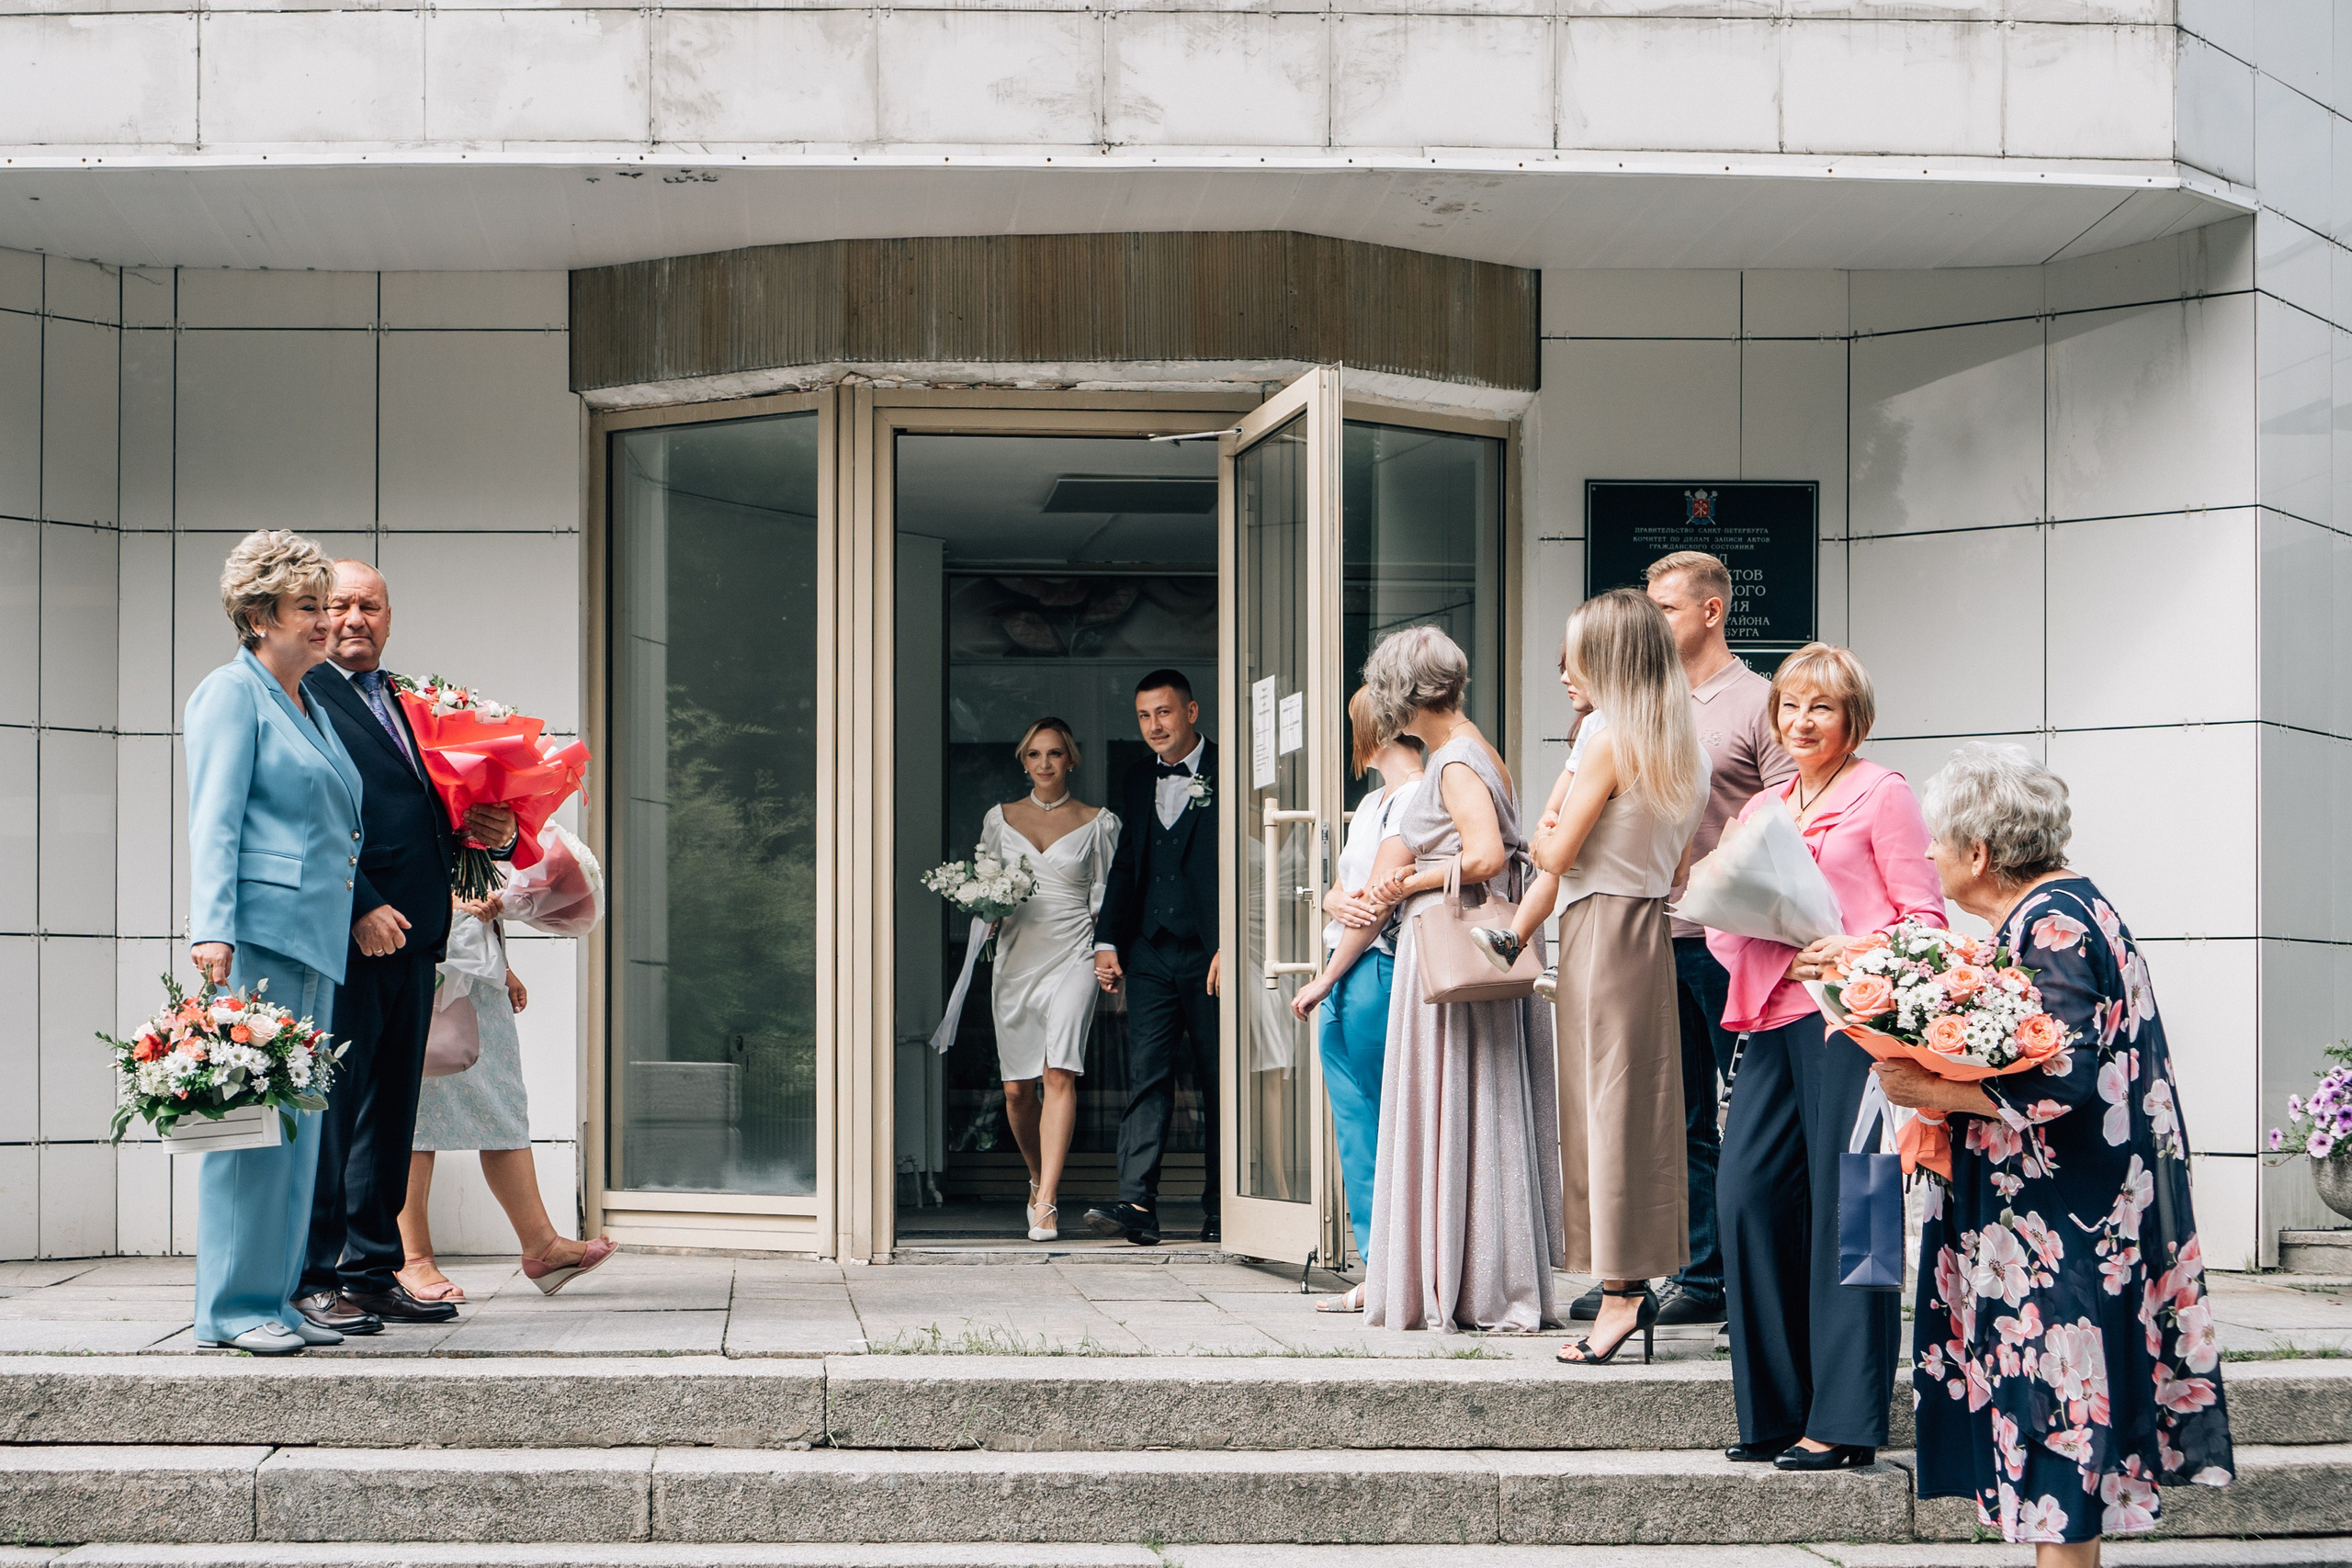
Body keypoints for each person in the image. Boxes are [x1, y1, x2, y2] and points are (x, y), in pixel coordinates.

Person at [1882, 744, 2233, 1558]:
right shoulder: (2068, 909)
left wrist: (1931, 1090)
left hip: (2058, 1228)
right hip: (2069, 1216)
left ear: (1978, 852)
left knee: (2060, 1425)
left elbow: (2064, 1076)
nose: (1929, 856)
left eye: (1938, 842)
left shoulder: (2053, 923)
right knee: (2059, 1426)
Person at [1708, 642, 1946, 1470]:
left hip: (1854, 1027)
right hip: (1771, 1021)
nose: (1802, 722)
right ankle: (1774, 1409)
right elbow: (1720, 916)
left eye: (1822, 708)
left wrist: (1853, 949)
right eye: (1789, 707)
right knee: (1746, 1197)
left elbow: (1926, 923)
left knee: (1861, 1213)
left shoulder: (1885, 795)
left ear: (1854, 720)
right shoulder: (1764, 806)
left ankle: (1845, 1421)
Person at [295, 560, 517, 1334]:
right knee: (334, 1107)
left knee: (391, 1113)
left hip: (421, 936)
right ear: (315, 616)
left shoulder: (411, 701)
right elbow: (308, 816)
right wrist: (360, 906)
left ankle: (373, 1269)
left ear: (389, 617)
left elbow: (447, 806)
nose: (354, 617)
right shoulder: (301, 693)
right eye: (338, 604)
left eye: (369, 605)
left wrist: (498, 828)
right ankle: (314, 1274)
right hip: (348, 934)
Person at [184, 530, 365, 1355]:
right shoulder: (231, 694)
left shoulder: (309, 702)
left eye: (328, 605)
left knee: (299, 1129)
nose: (327, 621)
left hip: (314, 941)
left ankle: (276, 1294)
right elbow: (214, 820)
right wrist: (211, 929)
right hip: (256, 938)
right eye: (309, 607)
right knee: (250, 1125)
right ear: (259, 616)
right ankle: (229, 1306)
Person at [1359, 626, 1566, 1333]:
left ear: (1401, 694)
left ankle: (1469, 1279)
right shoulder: (1478, 748)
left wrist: (1404, 882)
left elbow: (1480, 854)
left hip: (1451, 945)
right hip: (1479, 947)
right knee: (1483, 1103)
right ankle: (1482, 1270)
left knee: (1459, 1097)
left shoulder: (1451, 760)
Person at [1527, 590, 1711, 1367]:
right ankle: (1628, 1286)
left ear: (1610, 659)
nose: (1567, 671)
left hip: (1600, 927)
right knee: (1638, 1114)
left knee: (1604, 1117)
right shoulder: (1681, 743)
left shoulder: (1605, 740)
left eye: (1578, 654)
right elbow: (1676, 868)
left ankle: (1622, 1295)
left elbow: (1549, 851)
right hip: (1647, 929)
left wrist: (1553, 819)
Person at [1635, 549, 1796, 1330]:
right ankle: (1700, 1273)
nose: (1653, 619)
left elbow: (1785, 820)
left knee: (1748, 1112)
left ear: (1710, 611)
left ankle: (1754, 1274)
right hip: (1654, 933)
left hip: (1729, 942)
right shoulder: (1649, 701)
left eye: (1665, 607)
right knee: (1684, 1114)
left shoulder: (1761, 704)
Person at [397, 880, 619, 1301]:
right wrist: (447, 901)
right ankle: (412, 1259)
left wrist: (504, 965)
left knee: (502, 1106)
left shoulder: (474, 824)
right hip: (417, 960)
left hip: (477, 974)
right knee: (414, 1115)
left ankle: (542, 1245)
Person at [1286, 688, 1425, 1308]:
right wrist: (1329, 901)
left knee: (1386, 1120)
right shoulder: (1373, 801)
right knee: (1356, 1125)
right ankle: (1379, 1266)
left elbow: (1375, 906)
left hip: (1374, 969)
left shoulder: (1419, 795)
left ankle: (1400, 1268)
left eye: (1353, 723)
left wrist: (1325, 976)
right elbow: (1346, 889)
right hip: (1351, 970)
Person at [1087, 671, 1220, 1247]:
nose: (1154, 727)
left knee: (1220, 1081)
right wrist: (1108, 939)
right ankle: (1137, 1202)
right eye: (1144, 717)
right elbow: (1129, 862)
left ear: (1191, 711)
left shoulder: (1230, 768)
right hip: (1148, 953)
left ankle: (1225, 1206)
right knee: (1147, 1076)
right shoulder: (1139, 777)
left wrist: (1231, 944)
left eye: (1163, 713)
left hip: (1211, 954)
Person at [978, 718, 1121, 1243]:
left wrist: (1107, 954)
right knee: (1017, 1089)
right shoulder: (999, 819)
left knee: (1059, 1071)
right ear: (1023, 760)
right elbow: (983, 884)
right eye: (1035, 754)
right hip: (1016, 956)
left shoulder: (1099, 822)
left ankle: (1048, 1200)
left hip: (1074, 953)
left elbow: (1107, 897)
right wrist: (984, 910)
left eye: (1055, 754)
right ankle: (1036, 1176)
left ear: (1071, 761)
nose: (1044, 764)